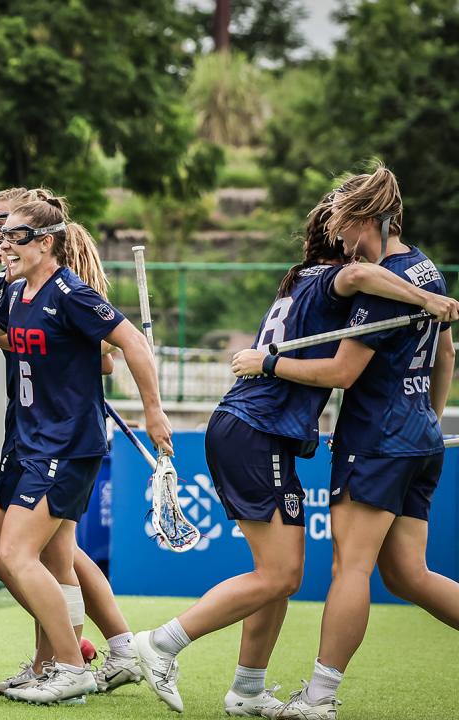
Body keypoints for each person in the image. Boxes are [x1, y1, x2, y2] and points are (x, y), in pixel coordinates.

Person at [130, 191, 459, 716]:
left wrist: (265, 362)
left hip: (295, 432)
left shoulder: (312, 277)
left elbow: (355, 354)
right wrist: (428, 312)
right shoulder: (404, 270)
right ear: (339, 241)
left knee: (310, 573)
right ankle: (168, 647)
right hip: (263, 430)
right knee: (282, 573)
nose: (354, 248)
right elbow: (439, 348)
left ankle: (248, 689)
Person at [0, 198, 173, 705]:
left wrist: (154, 412)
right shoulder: (16, 293)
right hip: (33, 439)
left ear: (46, 241)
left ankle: (73, 662)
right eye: (1, 235)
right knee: (25, 555)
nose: (2, 243)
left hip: (66, 442)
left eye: (14, 235)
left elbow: (130, 347)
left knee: (24, 554)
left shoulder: (70, 293)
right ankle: (66, 661)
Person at [229, 166, 458, 720]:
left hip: (377, 440)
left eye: (348, 225)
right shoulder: (425, 268)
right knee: (409, 575)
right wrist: (427, 422)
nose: (342, 240)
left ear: (377, 220)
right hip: (418, 438)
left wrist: (269, 362)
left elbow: (341, 373)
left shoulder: (382, 284)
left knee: (350, 570)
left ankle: (319, 698)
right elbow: (446, 356)